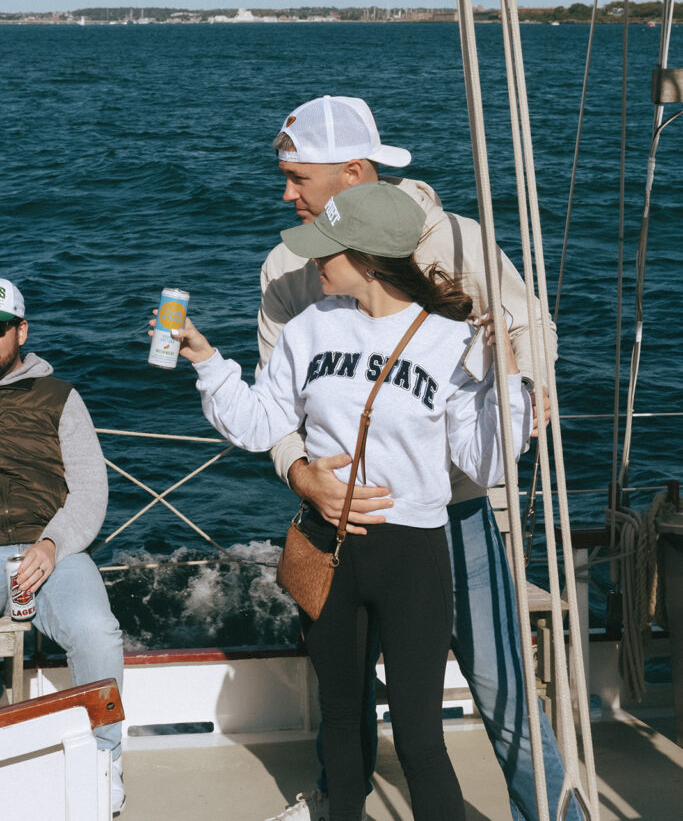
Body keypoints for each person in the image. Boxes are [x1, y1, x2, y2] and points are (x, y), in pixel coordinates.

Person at [161, 181, 532, 821]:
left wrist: (509, 379)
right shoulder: (311, 326)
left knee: (419, 739)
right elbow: (260, 423)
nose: (313, 261)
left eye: (325, 251)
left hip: (411, 554)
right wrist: (206, 359)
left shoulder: (452, 340)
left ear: (368, 259)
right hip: (326, 548)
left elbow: (488, 460)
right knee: (338, 722)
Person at [257, 96, 580, 821]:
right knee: (342, 701)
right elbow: (274, 402)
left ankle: (558, 815)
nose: (285, 194)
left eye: (296, 177)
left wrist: (507, 382)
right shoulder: (285, 265)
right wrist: (298, 472)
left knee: (500, 690)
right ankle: (340, 804)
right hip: (331, 523)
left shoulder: (464, 242)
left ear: (354, 173)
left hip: (452, 513)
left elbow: (534, 343)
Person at [0, 279, 126, 817]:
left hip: (51, 544)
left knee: (97, 631)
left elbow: (91, 490)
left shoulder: (59, 397)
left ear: (20, 331)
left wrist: (53, 543)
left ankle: (104, 764)